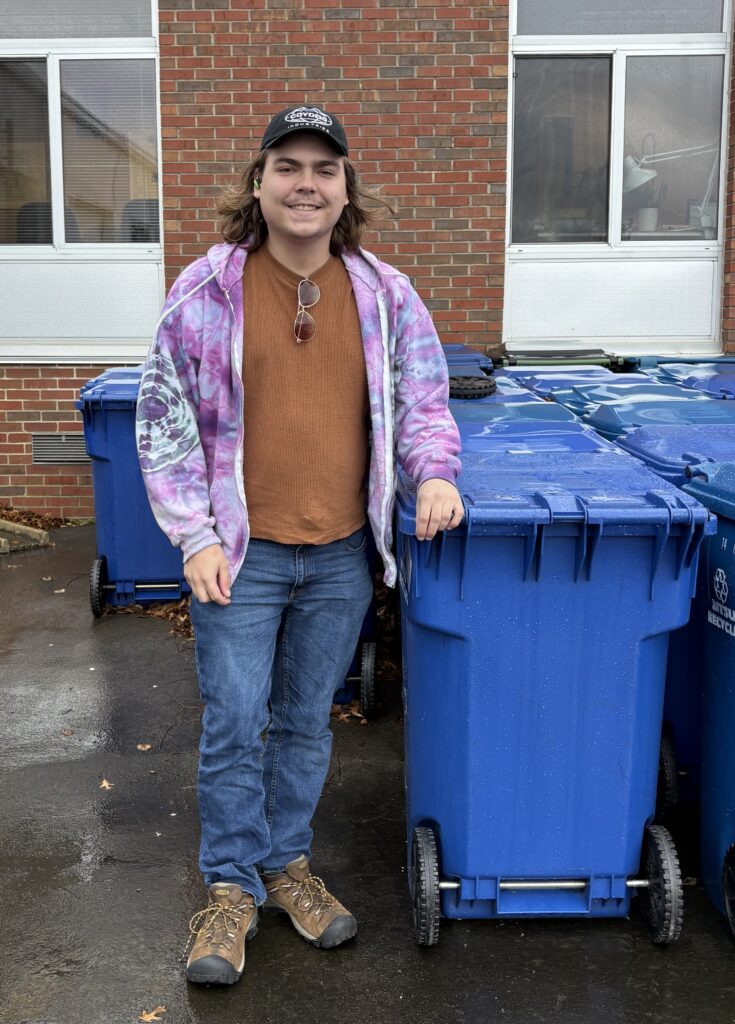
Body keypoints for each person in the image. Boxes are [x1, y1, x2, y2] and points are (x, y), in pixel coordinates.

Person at [135, 104, 462, 986]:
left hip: (343, 552)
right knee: (237, 723)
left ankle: (286, 868)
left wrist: (433, 473)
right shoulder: (207, 292)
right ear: (259, 184)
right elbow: (162, 419)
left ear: (345, 189)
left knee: (306, 722)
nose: (306, 182)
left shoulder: (386, 295)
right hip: (241, 557)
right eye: (288, 166)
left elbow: (425, 402)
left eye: (324, 168)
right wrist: (193, 533)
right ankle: (230, 888)